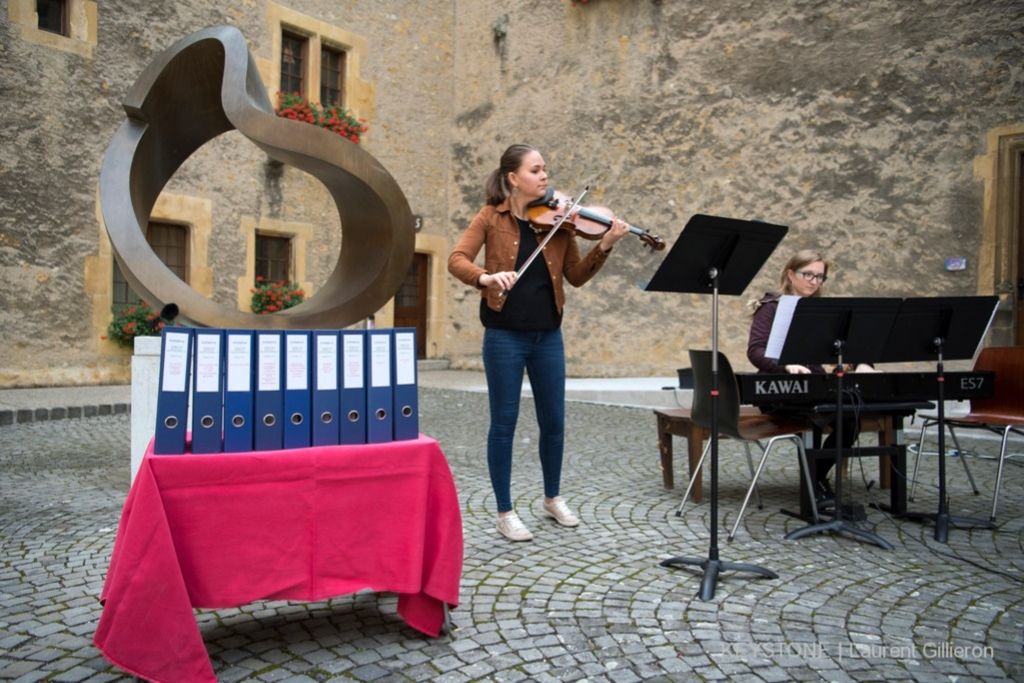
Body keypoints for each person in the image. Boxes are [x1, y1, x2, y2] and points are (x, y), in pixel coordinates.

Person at [447, 143, 629, 541]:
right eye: (536, 170)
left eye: (546, 169)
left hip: (548, 335)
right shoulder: (490, 217)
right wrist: (485, 278)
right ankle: (504, 510)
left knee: (554, 422)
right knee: (504, 423)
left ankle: (552, 498)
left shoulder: (561, 221)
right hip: (504, 335)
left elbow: (576, 276)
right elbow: (457, 259)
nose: (545, 176)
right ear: (513, 178)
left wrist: (606, 245)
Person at [746, 249, 875, 503]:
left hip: (816, 386)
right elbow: (755, 350)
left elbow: (848, 344)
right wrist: (785, 366)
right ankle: (813, 485)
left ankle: (815, 476)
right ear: (790, 274)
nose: (814, 282)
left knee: (851, 418)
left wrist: (863, 363)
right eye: (808, 275)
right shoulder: (771, 307)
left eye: (820, 277)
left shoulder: (824, 310)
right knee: (818, 414)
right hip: (780, 388)